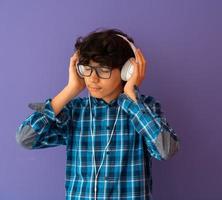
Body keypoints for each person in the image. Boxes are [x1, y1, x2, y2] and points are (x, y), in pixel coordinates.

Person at [16, 28, 180, 200]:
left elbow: (166, 150)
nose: (92, 78)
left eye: (103, 70)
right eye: (86, 68)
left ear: (127, 71)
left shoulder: (145, 108)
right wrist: (70, 90)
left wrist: (132, 101)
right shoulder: (74, 111)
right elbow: (26, 138)